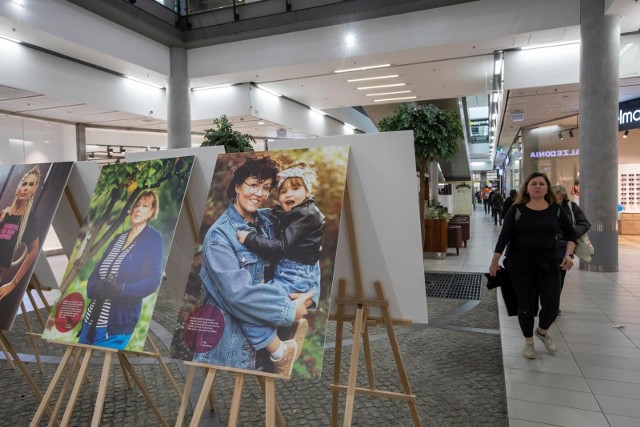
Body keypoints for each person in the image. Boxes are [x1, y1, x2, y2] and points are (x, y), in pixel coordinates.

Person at [195, 156, 313, 375]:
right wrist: (288, 309)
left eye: (266, 188)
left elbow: (301, 251)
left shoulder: (269, 221)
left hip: (271, 334)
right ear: (238, 186)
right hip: (236, 342)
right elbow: (238, 294)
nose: (260, 194)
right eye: (254, 185)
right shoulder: (219, 236)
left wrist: (306, 293)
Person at [237, 162, 323, 366]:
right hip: (290, 275)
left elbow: (281, 246)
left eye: (295, 188)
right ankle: (288, 321)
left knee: (249, 308)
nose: (288, 194)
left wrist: (249, 239)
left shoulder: (307, 215)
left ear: (308, 191)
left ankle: (280, 351)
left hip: (293, 277)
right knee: (253, 306)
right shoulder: (299, 213)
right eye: (283, 191)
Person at [489, 172, 577, 360]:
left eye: (541, 184)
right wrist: (494, 261)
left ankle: (542, 331)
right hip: (521, 266)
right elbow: (504, 237)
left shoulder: (556, 210)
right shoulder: (517, 209)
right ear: (527, 188)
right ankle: (528, 341)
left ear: (547, 188)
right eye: (534, 184)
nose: (538, 186)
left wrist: (569, 255)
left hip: (549, 264)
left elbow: (571, 235)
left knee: (552, 305)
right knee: (526, 305)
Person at [77, 190, 163, 350]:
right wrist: (95, 287)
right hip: (90, 322)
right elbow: (97, 271)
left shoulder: (153, 239)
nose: (138, 209)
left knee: (103, 369)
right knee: (78, 364)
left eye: (145, 206)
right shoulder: (118, 238)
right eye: (137, 205)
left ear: (152, 211)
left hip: (117, 325)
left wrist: (122, 289)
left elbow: (153, 280)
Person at [0, 166, 42, 307]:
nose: (25, 188)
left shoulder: (28, 220)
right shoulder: (3, 214)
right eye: (24, 183)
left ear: (34, 190)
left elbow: (33, 251)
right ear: (19, 186)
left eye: (31, 185)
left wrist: (13, 283)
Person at [553, 185, 591, 315]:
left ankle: (554, 304)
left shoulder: (571, 207)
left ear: (563, 196)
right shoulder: (546, 206)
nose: (555, 199)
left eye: (558, 197)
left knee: (559, 277)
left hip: (564, 247)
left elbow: (585, 223)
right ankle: (548, 301)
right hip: (547, 246)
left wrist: (571, 234)